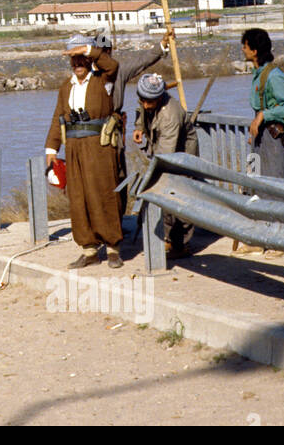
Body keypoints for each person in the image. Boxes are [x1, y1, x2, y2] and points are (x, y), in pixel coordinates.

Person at [46, 34, 123, 269]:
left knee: (104, 193)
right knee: (78, 197)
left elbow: (113, 64)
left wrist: (88, 49)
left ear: (89, 59)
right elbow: (58, 118)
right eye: (74, 60)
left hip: (99, 147)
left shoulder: (104, 80)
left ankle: (112, 248)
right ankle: (89, 250)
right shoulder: (65, 87)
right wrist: (51, 149)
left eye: (81, 59)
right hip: (74, 149)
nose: (78, 64)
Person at [88, 25, 173, 213]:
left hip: (113, 130)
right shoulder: (86, 76)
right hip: (91, 132)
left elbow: (143, 61)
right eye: (100, 52)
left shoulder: (119, 70)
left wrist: (162, 44)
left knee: (117, 172)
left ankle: (117, 216)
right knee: (94, 175)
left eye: (106, 52)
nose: (104, 55)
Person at [238, 27, 284, 254]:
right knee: (254, 184)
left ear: (253, 50)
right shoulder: (258, 73)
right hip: (258, 139)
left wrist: (264, 115)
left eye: (244, 46)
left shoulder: (274, 76)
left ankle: (280, 240)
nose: (242, 50)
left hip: (274, 138)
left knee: (276, 187)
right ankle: (257, 237)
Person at [132, 73, 198, 257]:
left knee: (181, 197)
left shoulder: (171, 115)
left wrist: (151, 178)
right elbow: (141, 109)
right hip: (163, 149)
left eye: (150, 102)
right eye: (143, 100)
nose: (145, 105)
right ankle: (168, 239)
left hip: (181, 155)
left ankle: (182, 244)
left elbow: (165, 155)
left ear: (160, 98)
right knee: (166, 197)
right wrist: (139, 127)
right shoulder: (147, 97)